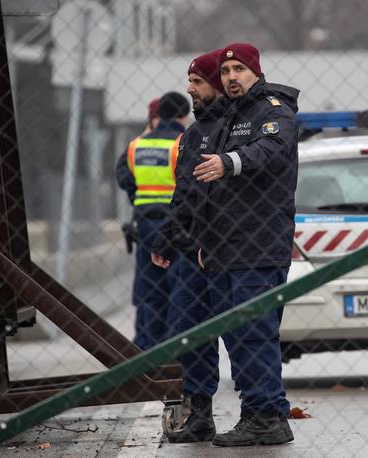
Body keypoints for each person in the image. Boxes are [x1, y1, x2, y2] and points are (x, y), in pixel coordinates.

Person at [172, 42, 299, 447]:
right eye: (225, 71)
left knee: (255, 332)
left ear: (255, 72)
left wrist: (230, 162)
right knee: (239, 335)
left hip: (258, 245)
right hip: (223, 248)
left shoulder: (274, 109)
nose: (231, 78)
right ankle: (263, 414)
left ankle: (266, 417)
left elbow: (272, 151)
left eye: (239, 70)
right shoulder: (228, 115)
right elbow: (200, 187)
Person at [150, 50, 227, 444]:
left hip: (224, 249)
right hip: (189, 250)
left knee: (243, 333)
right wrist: (166, 237)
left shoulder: (230, 128)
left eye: (197, 81)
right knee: (191, 331)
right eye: (189, 81)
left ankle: (261, 413)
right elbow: (185, 193)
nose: (190, 89)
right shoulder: (194, 134)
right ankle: (200, 414)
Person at [115, 92, 190, 350]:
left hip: (145, 225)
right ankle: (173, 352)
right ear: (184, 115)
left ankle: (147, 350)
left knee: (150, 290)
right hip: (178, 226)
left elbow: (124, 176)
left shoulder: (137, 145)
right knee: (179, 289)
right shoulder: (183, 143)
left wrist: (141, 198)